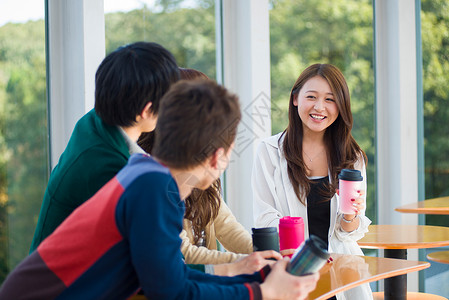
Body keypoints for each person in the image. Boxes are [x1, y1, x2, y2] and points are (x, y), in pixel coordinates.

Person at [0, 80, 320, 300]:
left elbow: (171, 277)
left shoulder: (146, 174)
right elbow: (171, 293)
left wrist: (251, 281)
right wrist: (264, 293)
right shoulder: (154, 189)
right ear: (217, 156)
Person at [29, 42, 180, 252]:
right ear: (145, 111)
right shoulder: (108, 169)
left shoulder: (95, 122)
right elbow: (150, 258)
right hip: (68, 282)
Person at [252, 64, 372, 299]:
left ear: (341, 106)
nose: (319, 107)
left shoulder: (352, 156)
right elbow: (265, 217)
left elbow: (348, 233)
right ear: (295, 98)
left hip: (341, 269)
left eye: (330, 99)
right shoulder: (269, 151)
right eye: (311, 97)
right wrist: (308, 257)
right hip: (291, 269)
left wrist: (351, 216)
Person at [138, 67, 253, 265]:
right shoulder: (154, 184)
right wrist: (249, 264)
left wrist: (267, 253)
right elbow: (182, 256)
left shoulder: (197, 169)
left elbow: (226, 226)